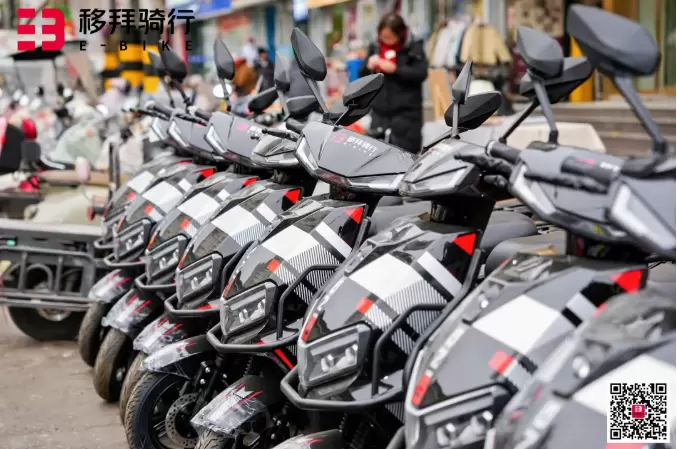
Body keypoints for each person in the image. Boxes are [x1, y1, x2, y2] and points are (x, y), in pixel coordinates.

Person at [359, 12, 428, 153]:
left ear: (400, 34)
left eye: (390, 37)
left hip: (407, 115)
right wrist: (368, 66)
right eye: (383, 37)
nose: (386, 40)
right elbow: (362, 75)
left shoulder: (413, 47)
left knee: (405, 156)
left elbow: (421, 73)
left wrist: (396, 69)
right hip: (379, 114)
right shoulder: (375, 47)